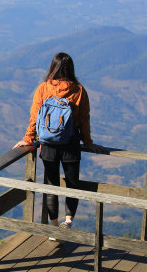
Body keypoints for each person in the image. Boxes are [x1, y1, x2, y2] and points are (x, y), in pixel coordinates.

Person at [14, 52, 105, 233]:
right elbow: (84, 119)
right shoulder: (78, 90)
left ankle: (54, 228)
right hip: (70, 144)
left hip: (48, 145)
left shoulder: (43, 88)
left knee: (51, 186)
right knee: (73, 185)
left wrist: (28, 139)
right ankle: (68, 222)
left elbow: (35, 117)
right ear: (70, 68)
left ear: (52, 67)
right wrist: (88, 141)